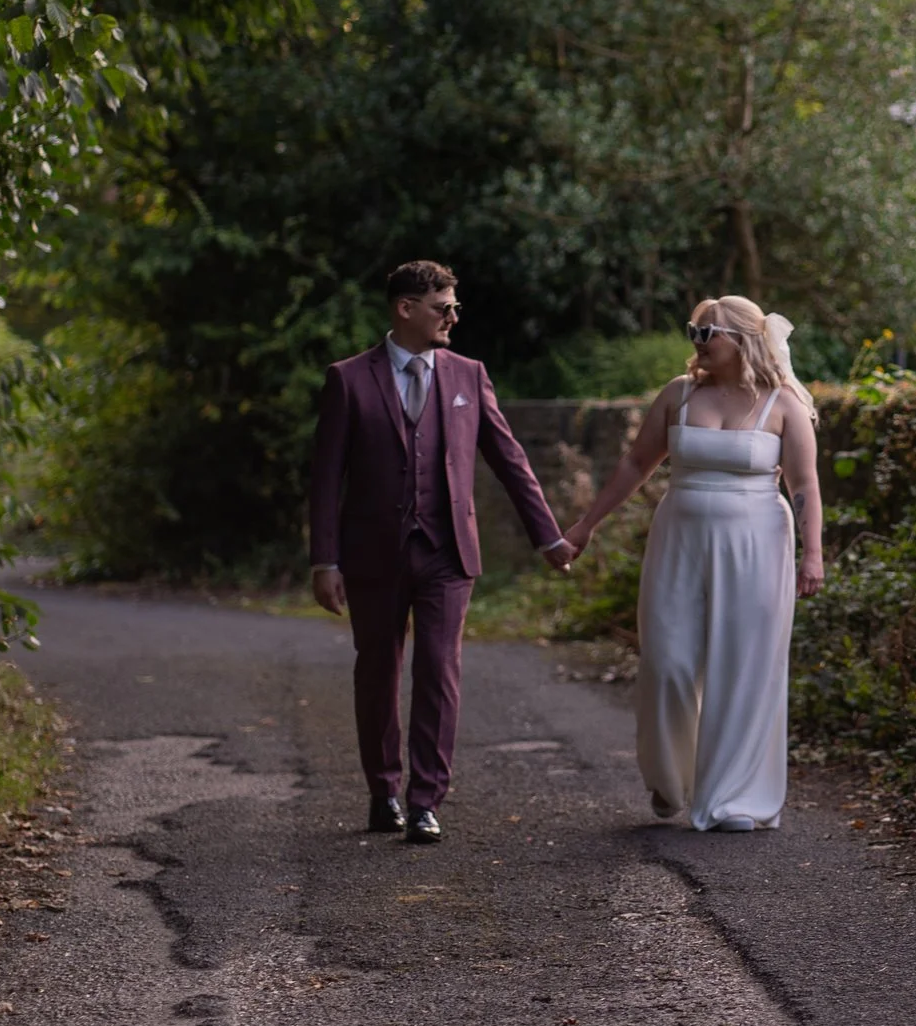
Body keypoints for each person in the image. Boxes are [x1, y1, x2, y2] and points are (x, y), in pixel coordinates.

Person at [306, 260, 575, 844]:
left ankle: (426, 799)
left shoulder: (469, 375)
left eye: (454, 306)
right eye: (442, 307)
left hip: (449, 551)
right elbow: (326, 478)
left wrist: (548, 535)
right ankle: (384, 791)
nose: (453, 316)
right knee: (377, 671)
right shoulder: (348, 379)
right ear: (405, 309)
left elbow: (510, 461)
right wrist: (324, 561)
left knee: (439, 670)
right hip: (373, 554)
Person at [561, 296, 824, 831]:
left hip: (758, 541)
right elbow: (637, 462)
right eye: (693, 332)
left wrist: (812, 553)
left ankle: (737, 799)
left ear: (744, 340)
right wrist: (586, 524)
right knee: (668, 662)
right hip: (679, 535)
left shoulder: (784, 405)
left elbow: (805, 484)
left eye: (708, 333)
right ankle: (669, 777)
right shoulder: (678, 396)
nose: (697, 343)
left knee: (745, 665)